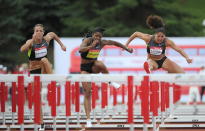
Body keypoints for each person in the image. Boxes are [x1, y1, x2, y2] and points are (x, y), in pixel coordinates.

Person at [79, 27, 133, 127]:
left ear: (101, 37)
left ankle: (109, 81)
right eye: (96, 36)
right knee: (87, 92)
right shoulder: (87, 40)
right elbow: (80, 50)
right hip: (85, 69)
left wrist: (127, 48)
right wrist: (91, 46)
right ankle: (88, 120)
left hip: (94, 66)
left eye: (99, 36)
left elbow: (115, 43)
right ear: (92, 35)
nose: (97, 38)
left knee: (100, 64)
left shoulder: (102, 43)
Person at [20, 24, 66, 130]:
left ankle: (53, 81)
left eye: (41, 31)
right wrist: (30, 42)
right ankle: (41, 123)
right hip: (34, 71)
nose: (39, 32)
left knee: (44, 60)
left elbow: (53, 34)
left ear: (43, 32)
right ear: (34, 32)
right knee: (37, 98)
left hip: (44, 69)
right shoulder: (30, 42)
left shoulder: (46, 39)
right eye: (37, 31)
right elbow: (22, 49)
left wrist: (62, 45)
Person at [125, 15, 192, 73]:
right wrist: (126, 45)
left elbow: (179, 49)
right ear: (155, 35)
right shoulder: (148, 38)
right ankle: (149, 69)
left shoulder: (167, 41)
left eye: (162, 36)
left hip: (163, 60)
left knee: (182, 73)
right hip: (152, 60)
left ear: (164, 36)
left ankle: (170, 78)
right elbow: (136, 34)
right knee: (150, 65)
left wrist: (187, 58)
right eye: (158, 36)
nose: (160, 38)